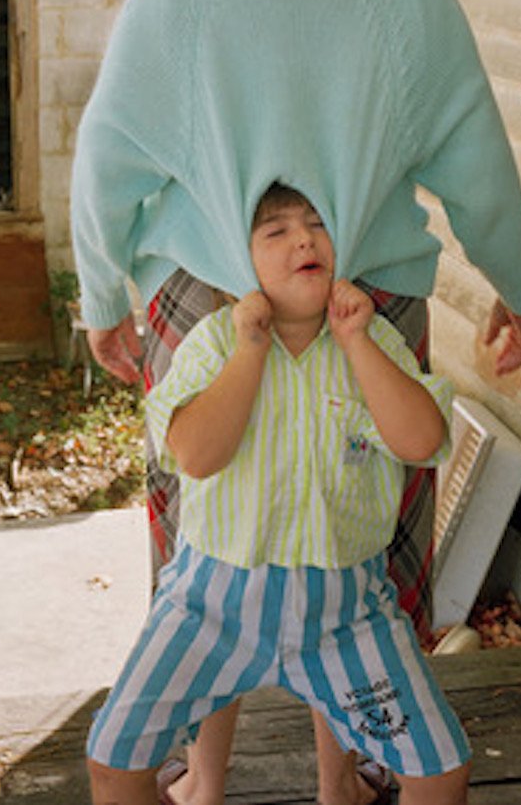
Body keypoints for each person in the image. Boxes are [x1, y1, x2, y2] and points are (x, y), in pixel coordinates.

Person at [70, 0, 521, 805]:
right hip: (365, 313)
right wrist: (518, 288)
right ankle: (349, 783)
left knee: (210, 557)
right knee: (357, 557)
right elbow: (479, 160)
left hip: (210, 304)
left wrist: (102, 296)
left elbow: (111, 157)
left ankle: (201, 774)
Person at [87, 185, 470, 805]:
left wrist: (357, 343)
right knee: (113, 759)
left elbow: (421, 439)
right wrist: (250, 349)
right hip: (210, 607)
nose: (304, 239)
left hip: (346, 616)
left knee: (440, 770)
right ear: (239, 264)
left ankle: (339, 788)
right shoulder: (214, 343)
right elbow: (195, 455)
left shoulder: (369, 343)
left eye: (319, 225)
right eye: (277, 231)